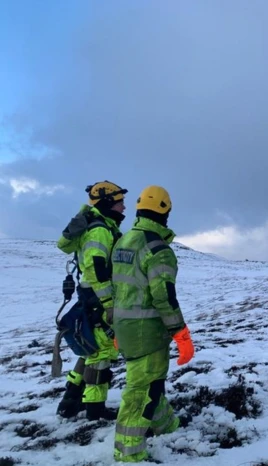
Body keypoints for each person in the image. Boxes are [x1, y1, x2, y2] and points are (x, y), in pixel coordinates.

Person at [111, 185, 195, 463]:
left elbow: (116, 289)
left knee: (151, 382)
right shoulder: (159, 250)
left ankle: (164, 425)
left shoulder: (123, 242)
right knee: (141, 391)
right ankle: (129, 453)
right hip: (147, 333)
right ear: (165, 210)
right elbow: (164, 299)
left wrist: (114, 326)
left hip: (124, 328)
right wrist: (181, 334)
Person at [56, 181, 127, 421]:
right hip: (98, 298)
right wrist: (109, 305)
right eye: (119, 203)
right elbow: (97, 271)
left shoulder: (100, 226)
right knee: (101, 354)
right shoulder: (100, 231)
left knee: (90, 352)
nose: (124, 208)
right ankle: (95, 409)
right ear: (108, 203)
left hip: (90, 298)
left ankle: (70, 402)